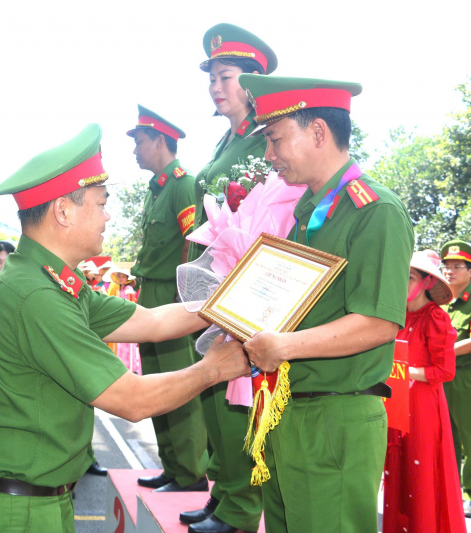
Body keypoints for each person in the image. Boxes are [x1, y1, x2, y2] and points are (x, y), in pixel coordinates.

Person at [0, 123, 250, 533]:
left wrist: (237, 299)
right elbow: (131, 399)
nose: (109, 215)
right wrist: (213, 368)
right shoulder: (37, 295)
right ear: (63, 211)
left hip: (33, 501)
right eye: (101, 203)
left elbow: (153, 321)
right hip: (13, 514)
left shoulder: (52, 280)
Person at [240, 75, 414, 533]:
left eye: (275, 140)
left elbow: (378, 322)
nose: (268, 156)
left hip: (336, 417)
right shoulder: (309, 212)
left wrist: (283, 346)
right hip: (291, 410)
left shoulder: (375, 211)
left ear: (318, 132)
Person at [180, 24, 277, 533]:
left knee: (238, 389)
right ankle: (221, 494)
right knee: (216, 388)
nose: (216, 86)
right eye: (212, 78)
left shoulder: (267, 138)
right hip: (215, 277)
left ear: (254, 81)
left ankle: (241, 508)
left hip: (247, 280)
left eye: (227, 76)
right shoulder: (229, 139)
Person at [127, 106, 209, 494]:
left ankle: (192, 474)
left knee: (180, 385)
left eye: (140, 141)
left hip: (171, 297)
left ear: (160, 141)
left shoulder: (182, 184)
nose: (135, 150)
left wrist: (183, 299)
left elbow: (192, 245)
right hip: (150, 295)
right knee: (157, 384)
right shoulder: (156, 188)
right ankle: (173, 467)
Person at [383, 251, 465, 533]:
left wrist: (405, 373)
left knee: (421, 472)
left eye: (409, 277)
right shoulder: (396, 316)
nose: (402, 282)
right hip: (396, 402)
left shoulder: (436, 318)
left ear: (428, 282)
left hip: (423, 406)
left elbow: (445, 372)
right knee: (397, 467)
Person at [440, 239, 471, 516]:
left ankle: (470, 492)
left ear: (470, 271)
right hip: (441, 377)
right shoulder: (440, 297)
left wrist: (443, 350)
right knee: (446, 436)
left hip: (466, 377)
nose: (450, 271)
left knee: (469, 435)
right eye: (446, 266)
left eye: (457, 266)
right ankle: (454, 489)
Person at [105, 266, 141, 374]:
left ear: (127, 278)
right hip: (121, 321)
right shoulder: (120, 289)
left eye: (123, 276)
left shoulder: (128, 290)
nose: (121, 278)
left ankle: (129, 368)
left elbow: (131, 307)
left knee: (127, 345)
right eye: (119, 276)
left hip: (127, 321)